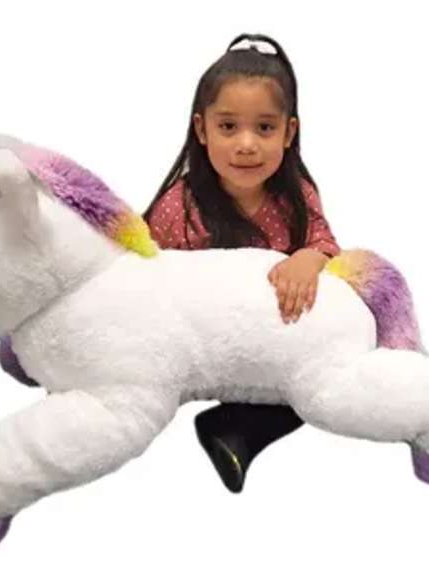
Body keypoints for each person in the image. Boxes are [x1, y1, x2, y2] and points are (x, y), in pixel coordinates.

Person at [142, 33, 341, 493]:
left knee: (323, 381)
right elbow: (144, 277)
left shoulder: (297, 197)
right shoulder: (179, 207)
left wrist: (309, 258)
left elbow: (326, 243)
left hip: (268, 349)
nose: (246, 144)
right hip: (201, 348)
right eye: (228, 127)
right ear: (202, 129)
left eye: (265, 128)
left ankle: (234, 431)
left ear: (289, 132)